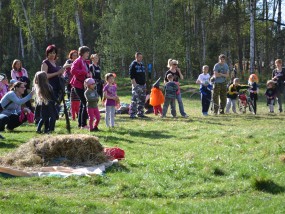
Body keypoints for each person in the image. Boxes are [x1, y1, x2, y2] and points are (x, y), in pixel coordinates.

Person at [70, 46, 91, 129]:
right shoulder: (78, 61)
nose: (88, 54)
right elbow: (73, 70)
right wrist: (83, 72)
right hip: (78, 85)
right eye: (87, 52)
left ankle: (81, 124)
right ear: (82, 53)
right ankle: (83, 124)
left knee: (83, 104)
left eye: (88, 53)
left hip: (83, 84)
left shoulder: (84, 61)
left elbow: (87, 71)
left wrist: (89, 74)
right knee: (86, 103)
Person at [129, 52, 146, 119]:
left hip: (143, 84)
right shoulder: (133, 64)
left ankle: (140, 113)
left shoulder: (142, 64)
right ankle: (132, 113)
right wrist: (135, 84)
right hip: (137, 84)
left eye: (141, 57)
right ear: (136, 57)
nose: (141, 58)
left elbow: (143, 74)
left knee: (142, 99)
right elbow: (131, 75)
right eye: (139, 57)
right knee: (135, 99)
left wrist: (144, 83)